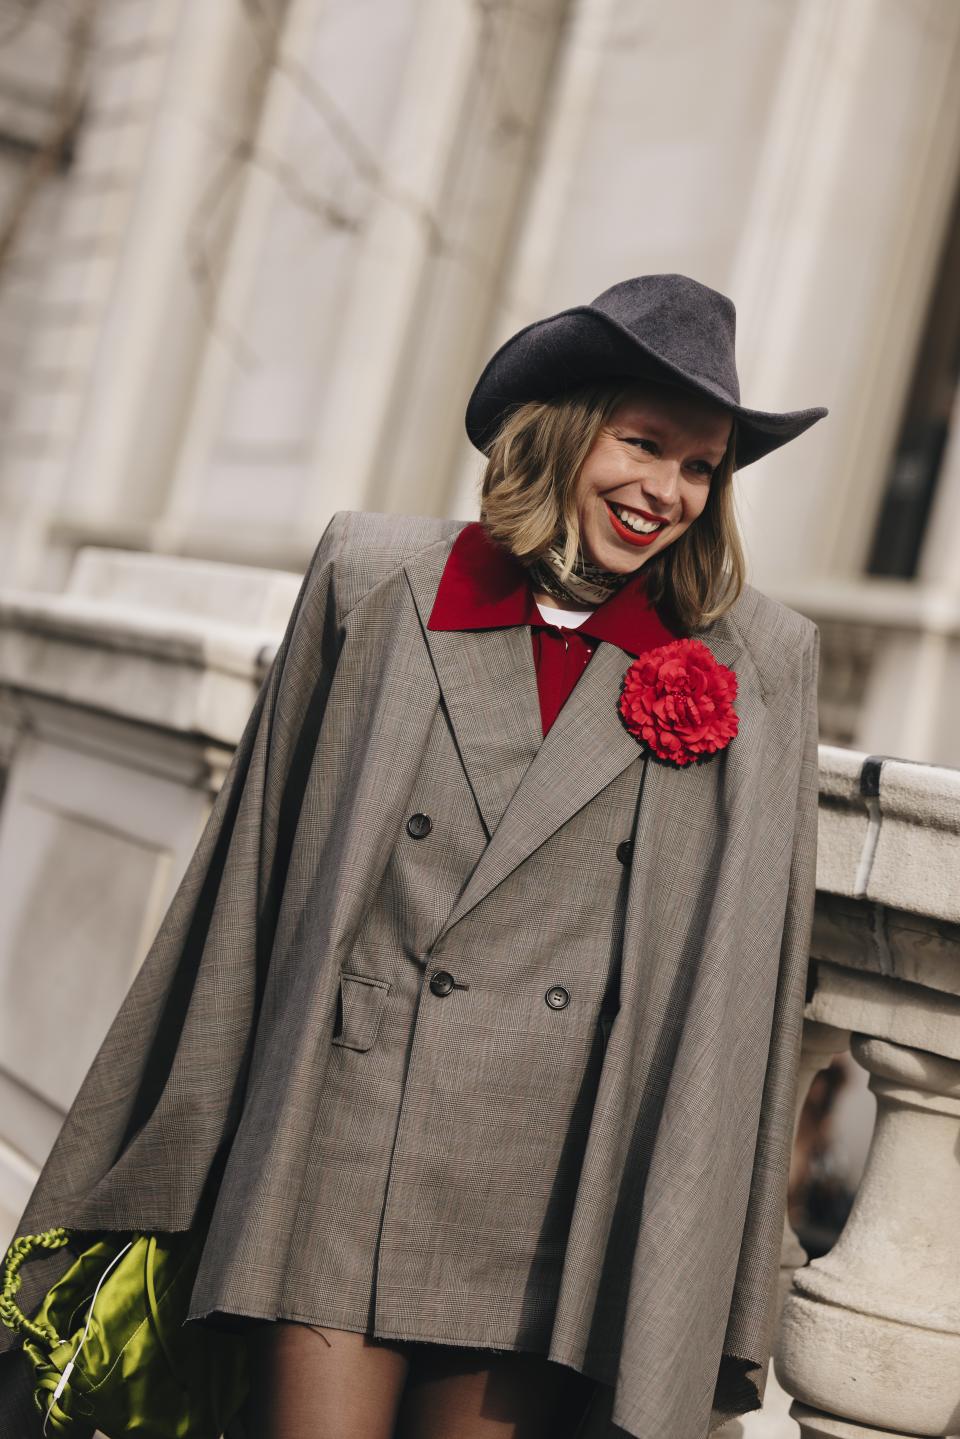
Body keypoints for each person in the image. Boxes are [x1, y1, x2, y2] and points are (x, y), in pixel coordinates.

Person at [0, 274, 827, 1439]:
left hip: (548, 1181)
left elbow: (750, 977)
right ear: (564, 429)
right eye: (643, 444)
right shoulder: (373, 579)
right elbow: (249, 878)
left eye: (702, 466)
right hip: (339, 1136)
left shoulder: (755, 659)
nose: (667, 493)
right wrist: (173, 1151)